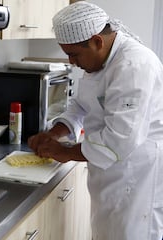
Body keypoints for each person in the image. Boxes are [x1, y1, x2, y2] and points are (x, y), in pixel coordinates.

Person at [28, 2, 163, 240]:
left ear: (97, 41)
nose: (71, 62)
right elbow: (82, 104)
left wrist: (66, 152)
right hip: (109, 176)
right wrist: (55, 133)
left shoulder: (134, 66)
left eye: (73, 54)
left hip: (136, 176)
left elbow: (118, 141)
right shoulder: (100, 62)